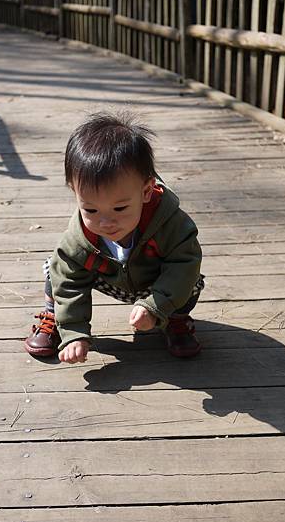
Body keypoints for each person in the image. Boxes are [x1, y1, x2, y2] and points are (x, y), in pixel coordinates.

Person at [25, 111, 204, 364]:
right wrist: (75, 332)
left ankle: (173, 319)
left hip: (154, 281)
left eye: (120, 209)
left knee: (191, 279)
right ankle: (57, 318)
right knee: (56, 268)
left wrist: (154, 305)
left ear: (146, 190)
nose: (105, 222)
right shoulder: (81, 238)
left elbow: (183, 264)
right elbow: (69, 282)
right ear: (74, 192)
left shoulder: (170, 224)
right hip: (107, 277)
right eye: (90, 209)